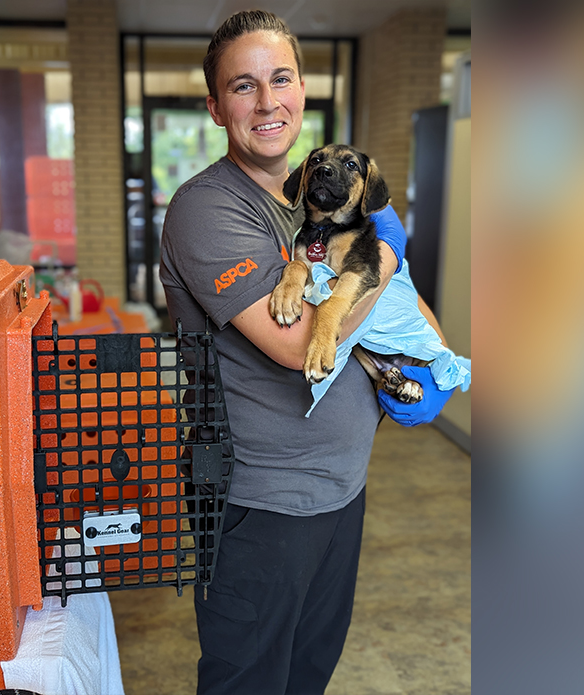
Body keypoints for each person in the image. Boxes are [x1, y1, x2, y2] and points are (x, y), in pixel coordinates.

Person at [159, 10, 453, 694]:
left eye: (280, 78)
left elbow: (403, 308)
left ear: (303, 90)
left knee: (306, 674)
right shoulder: (208, 209)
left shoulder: (317, 202)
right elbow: (296, 345)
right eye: (243, 86)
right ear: (214, 106)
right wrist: (380, 256)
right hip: (260, 501)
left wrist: (426, 344)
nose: (267, 101)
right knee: (251, 680)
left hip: (339, 487)